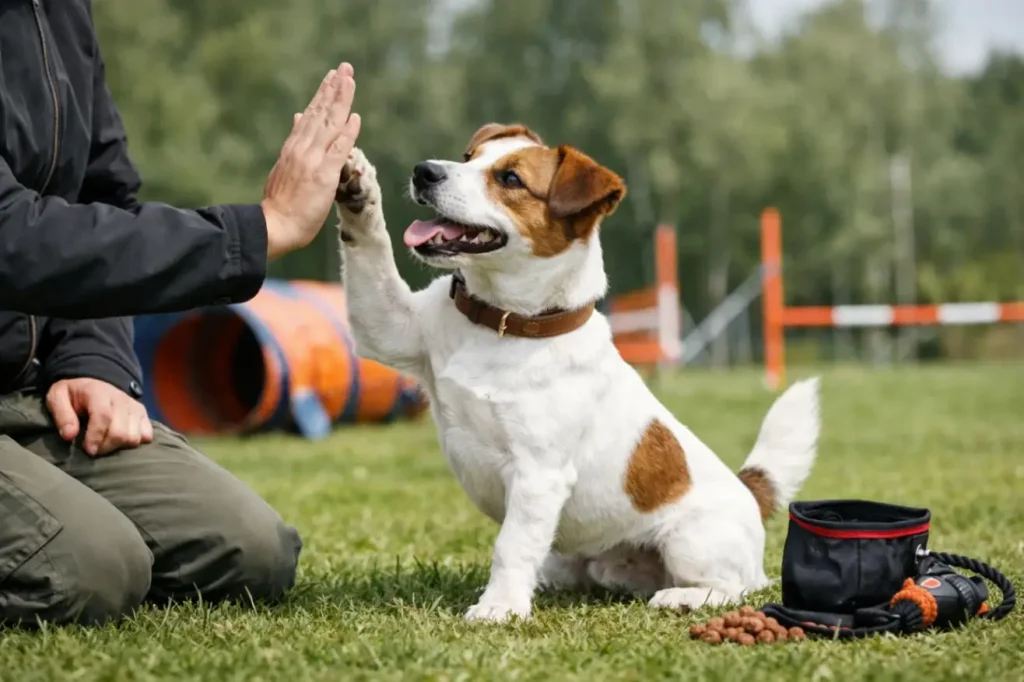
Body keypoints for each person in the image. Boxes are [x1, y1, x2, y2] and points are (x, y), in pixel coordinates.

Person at [0, 0, 360, 626]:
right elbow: (12, 237)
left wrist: (92, 358)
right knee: (89, 571)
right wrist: (259, 231)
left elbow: (101, 194)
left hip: (25, 388)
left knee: (250, 551)